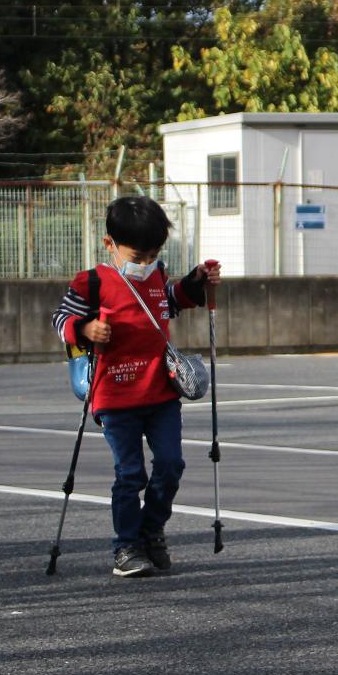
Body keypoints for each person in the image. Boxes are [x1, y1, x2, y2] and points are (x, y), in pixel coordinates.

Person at [52, 196, 219, 578]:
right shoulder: (92, 282)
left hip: (161, 393)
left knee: (172, 464)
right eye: (137, 256)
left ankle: (151, 528)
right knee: (130, 473)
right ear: (109, 244)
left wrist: (196, 281)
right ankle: (126, 545)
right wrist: (85, 329)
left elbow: (171, 303)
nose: (145, 264)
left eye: (153, 255)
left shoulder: (157, 276)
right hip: (114, 397)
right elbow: (61, 318)